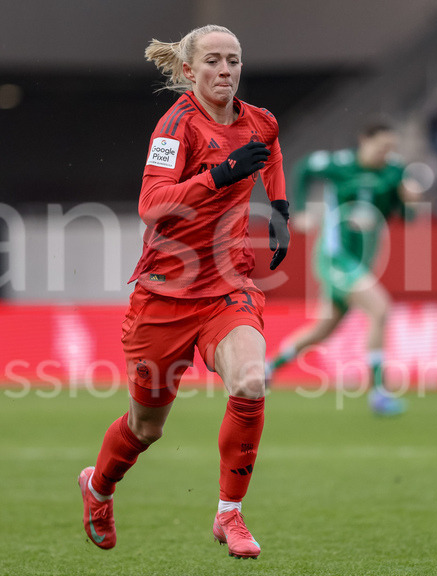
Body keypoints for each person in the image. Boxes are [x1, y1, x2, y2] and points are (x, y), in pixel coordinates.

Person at [77, 25, 290, 560]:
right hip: (165, 295)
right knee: (146, 427)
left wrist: (281, 208)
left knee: (250, 381)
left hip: (228, 283)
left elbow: (271, 150)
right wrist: (219, 177)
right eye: (213, 61)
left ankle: (230, 514)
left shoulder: (258, 120)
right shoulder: (176, 127)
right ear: (190, 70)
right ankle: (98, 489)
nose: (225, 71)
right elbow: (152, 205)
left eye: (234, 61)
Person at [265, 123, 419, 416]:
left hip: (361, 261)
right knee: (380, 308)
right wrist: (298, 208)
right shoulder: (340, 164)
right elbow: (304, 168)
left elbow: (406, 217)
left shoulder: (394, 172)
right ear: (364, 141)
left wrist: (411, 201)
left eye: (390, 149)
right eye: (381, 147)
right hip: (335, 256)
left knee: (324, 329)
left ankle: (267, 369)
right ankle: (379, 393)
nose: (385, 154)